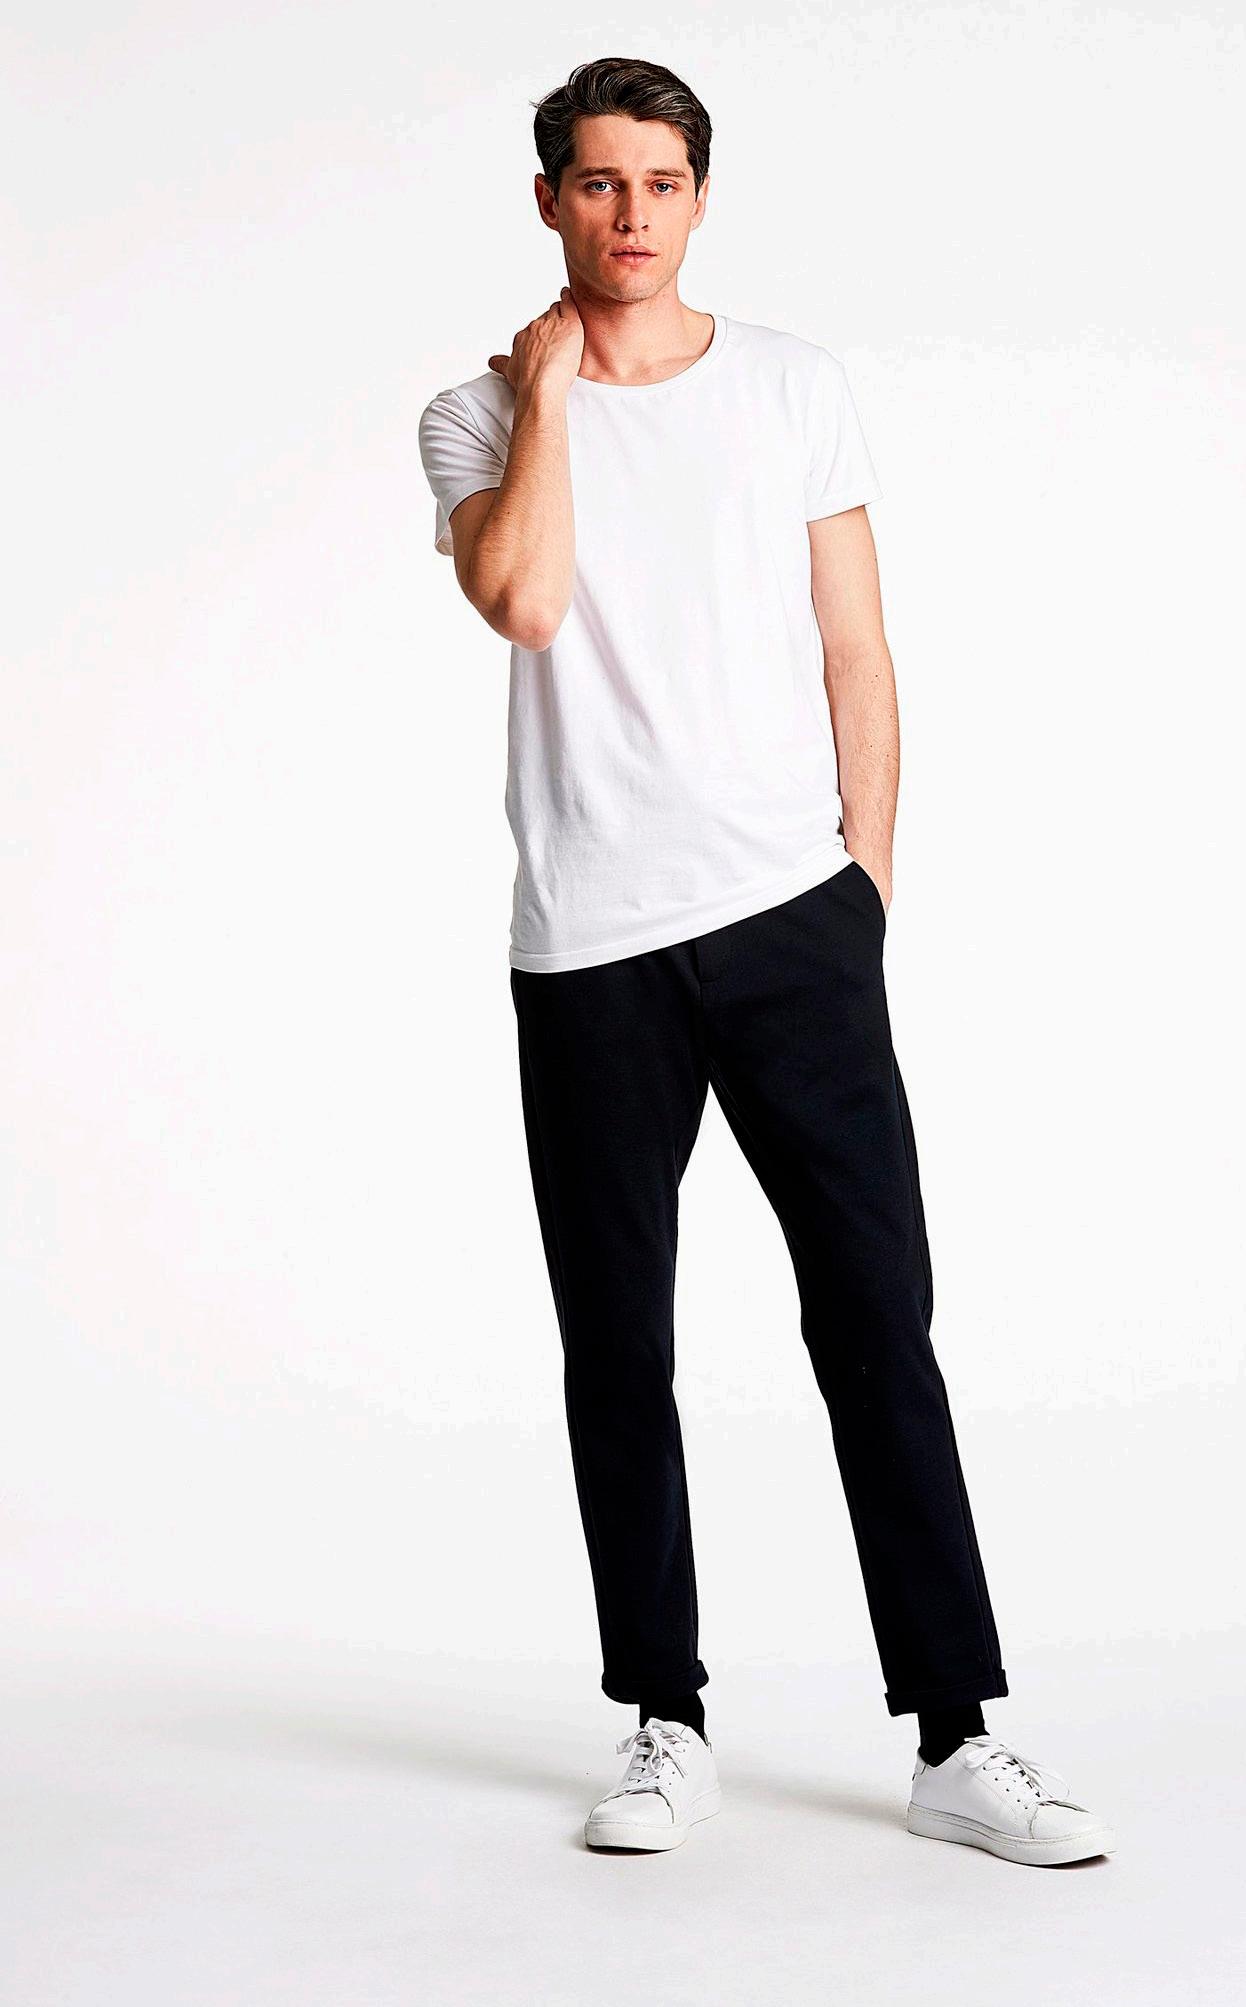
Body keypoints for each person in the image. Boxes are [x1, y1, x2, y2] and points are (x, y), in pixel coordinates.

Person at [418, 55, 1114, 1868]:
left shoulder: (793, 386)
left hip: (793, 920)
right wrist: (551, 392)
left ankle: (956, 1736)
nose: (629, 215)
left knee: (876, 1317)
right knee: (615, 1342)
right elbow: (524, 600)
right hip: (589, 946)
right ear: (549, 202)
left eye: (659, 183)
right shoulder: (474, 417)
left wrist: (859, 887)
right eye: (596, 183)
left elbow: (856, 649)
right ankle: (664, 1719)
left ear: (700, 197)